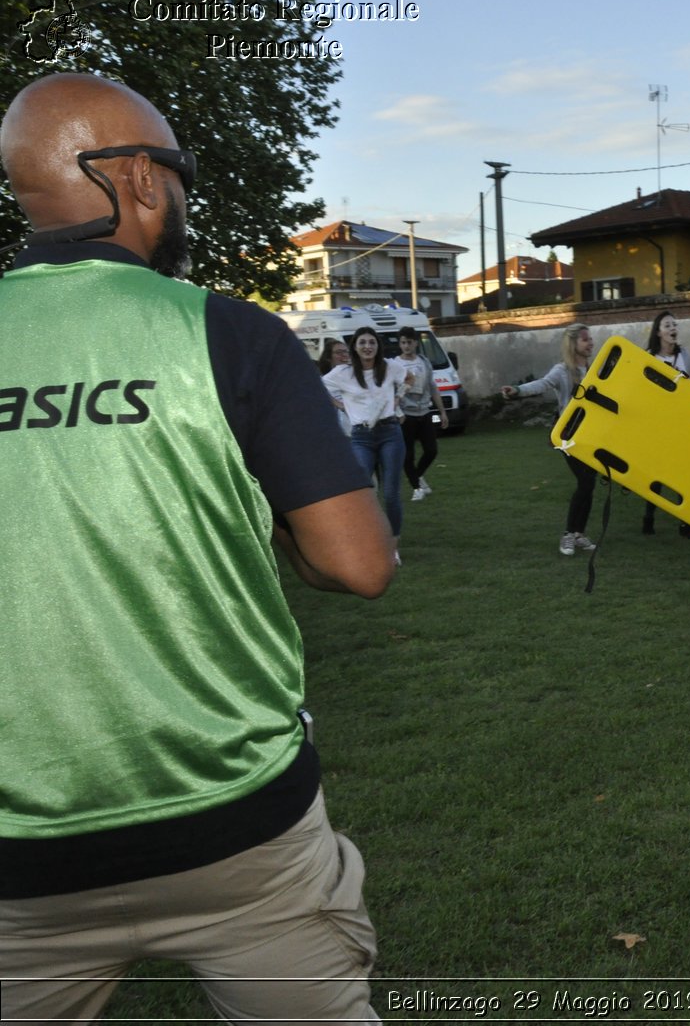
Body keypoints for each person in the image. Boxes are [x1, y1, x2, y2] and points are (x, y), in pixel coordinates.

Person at [0, 72, 394, 1023]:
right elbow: (359, 562)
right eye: (177, 172)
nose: (182, 196)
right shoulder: (227, 333)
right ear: (135, 176)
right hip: (238, 827)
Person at [501, 323, 600, 556]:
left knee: (589, 484)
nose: (591, 343)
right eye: (585, 339)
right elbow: (542, 384)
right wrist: (517, 390)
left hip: (592, 435)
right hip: (568, 436)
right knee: (585, 482)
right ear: (573, 343)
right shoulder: (562, 371)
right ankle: (568, 534)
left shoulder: (596, 369)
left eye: (590, 339)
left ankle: (578, 534)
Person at [323, 326, 408, 564]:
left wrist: (399, 397)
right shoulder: (343, 373)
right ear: (355, 347)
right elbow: (315, 385)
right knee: (362, 490)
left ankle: (392, 547)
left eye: (372, 342)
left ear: (378, 346)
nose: (367, 346)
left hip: (390, 432)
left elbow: (409, 378)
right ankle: (364, 540)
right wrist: (340, 405)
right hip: (361, 436)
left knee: (391, 493)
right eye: (362, 343)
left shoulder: (390, 367)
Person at [642, 311, 690, 537]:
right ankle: (648, 517)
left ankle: (687, 524)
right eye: (667, 325)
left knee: (686, 476)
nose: (673, 328)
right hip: (658, 426)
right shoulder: (647, 358)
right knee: (657, 476)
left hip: (682, 423)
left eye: (675, 324)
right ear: (658, 332)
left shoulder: (684, 355)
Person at [395, 325, 449, 502]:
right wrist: (397, 411)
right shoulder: (395, 364)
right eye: (403, 342)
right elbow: (390, 391)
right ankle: (417, 488)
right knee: (408, 455)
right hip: (406, 415)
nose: (406, 346)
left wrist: (442, 411)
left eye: (409, 342)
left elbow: (433, 387)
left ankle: (416, 476)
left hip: (424, 412)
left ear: (416, 343)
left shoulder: (424, 361)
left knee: (431, 450)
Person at [317, 338, 353, 435]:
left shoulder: (355, 377)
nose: (344, 355)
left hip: (354, 431)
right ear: (329, 358)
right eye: (339, 352)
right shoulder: (323, 380)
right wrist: (338, 404)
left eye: (346, 351)